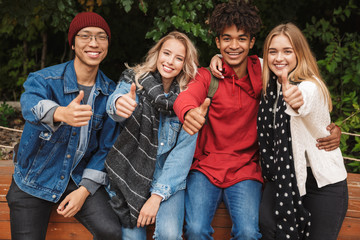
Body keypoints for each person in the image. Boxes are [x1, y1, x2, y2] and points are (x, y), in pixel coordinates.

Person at [174, 1, 342, 239]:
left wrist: (332, 129)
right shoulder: (207, 75)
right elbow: (185, 97)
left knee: (248, 232)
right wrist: (189, 112)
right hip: (206, 168)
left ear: (252, 43)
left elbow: (307, 96)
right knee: (195, 229)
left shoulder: (264, 71)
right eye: (227, 39)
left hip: (246, 169)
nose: (234, 46)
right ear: (218, 42)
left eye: (242, 39)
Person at [6, 12, 122, 240]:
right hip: (34, 178)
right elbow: (30, 105)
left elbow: (105, 149)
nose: (94, 43)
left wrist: (84, 191)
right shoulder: (45, 79)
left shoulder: (110, 91)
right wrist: (61, 113)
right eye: (85, 36)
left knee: (112, 232)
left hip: (77, 177)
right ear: (72, 43)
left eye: (101, 37)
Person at [257, 22, 348, 240]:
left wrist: (295, 99)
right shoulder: (271, 81)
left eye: (287, 51)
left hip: (322, 182)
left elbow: (303, 100)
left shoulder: (310, 86)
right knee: (268, 226)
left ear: (299, 53)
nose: (279, 58)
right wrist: (217, 59)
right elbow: (241, 59)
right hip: (285, 175)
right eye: (273, 52)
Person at [105, 31, 199, 240]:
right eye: (166, 53)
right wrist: (119, 105)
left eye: (179, 58)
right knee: (132, 238)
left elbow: (181, 157)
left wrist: (157, 196)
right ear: (157, 54)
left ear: (185, 63)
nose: (170, 61)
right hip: (131, 171)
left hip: (168, 178)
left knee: (169, 235)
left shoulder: (189, 97)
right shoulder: (135, 80)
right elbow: (115, 103)